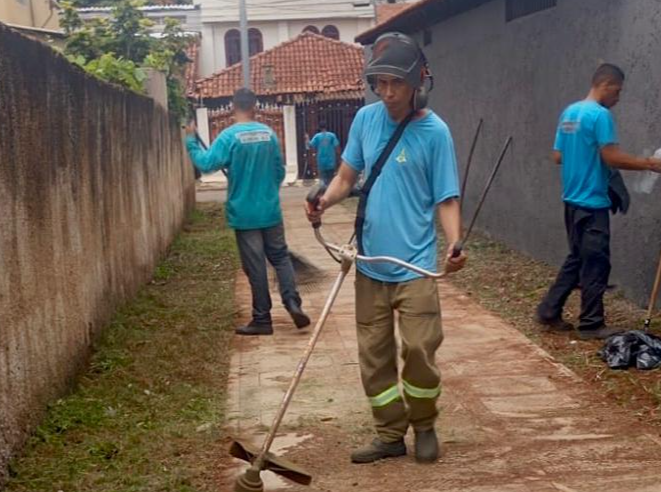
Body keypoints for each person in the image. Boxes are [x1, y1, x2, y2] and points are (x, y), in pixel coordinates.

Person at [305, 33, 466, 465]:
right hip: (371, 264)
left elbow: (446, 198)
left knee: (418, 349)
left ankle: (425, 424)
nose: (388, 93)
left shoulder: (435, 133)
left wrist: (454, 242)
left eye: (396, 83)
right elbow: (345, 177)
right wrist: (323, 201)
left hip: (413, 266)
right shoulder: (365, 120)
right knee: (373, 356)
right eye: (380, 83)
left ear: (418, 83)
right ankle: (389, 434)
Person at [534, 64, 661, 340]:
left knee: (577, 257)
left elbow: (559, 156)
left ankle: (549, 310)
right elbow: (611, 157)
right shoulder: (600, 116)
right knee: (596, 261)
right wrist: (649, 164)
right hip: (592, 202)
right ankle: (591, 323)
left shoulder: (570, 113)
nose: (618, 98)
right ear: (606, 84)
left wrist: (583, 156)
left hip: (571, 201)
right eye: (618, 91)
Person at [185, 88, 311, 336]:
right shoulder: (269, 134)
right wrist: (267, 191)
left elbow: (207, 164)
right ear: (255, 107)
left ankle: (262, 320)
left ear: (233, 107)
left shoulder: (228, 137)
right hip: (270, 211)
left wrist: (190, 140)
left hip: (244, 214)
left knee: (256, 267)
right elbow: (279, 172)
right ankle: (292, 302)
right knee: (280, 257)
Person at [308, 122, 341, 187]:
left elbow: (311, 145)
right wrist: (339, 157)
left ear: (319, 128)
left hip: (321, 161)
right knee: (331, 179)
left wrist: (307, 139)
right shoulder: (332, 135)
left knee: (322, 179)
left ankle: (323, 193)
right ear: (326, 127)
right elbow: (337, 146)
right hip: (331, 160)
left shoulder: (317, 136)